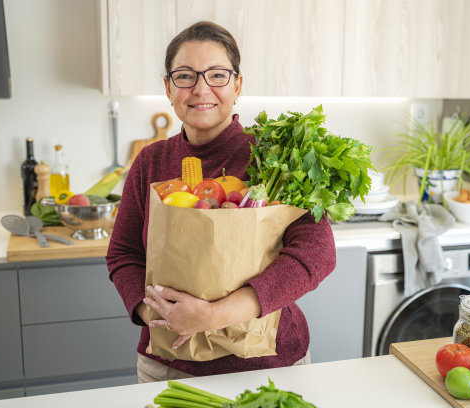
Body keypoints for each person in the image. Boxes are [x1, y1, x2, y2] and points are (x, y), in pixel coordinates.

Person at [106, 21, 336, 383]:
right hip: (169, 365)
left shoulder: (274, 158)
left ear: (238, 84)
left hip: (269, 364)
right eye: (184, 76)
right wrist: (160, 316)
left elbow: (316, 253)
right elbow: (123, 254)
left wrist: (212, 316)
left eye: (217, 75)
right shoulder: (149, 162)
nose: (201, 89)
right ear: (168, 87)